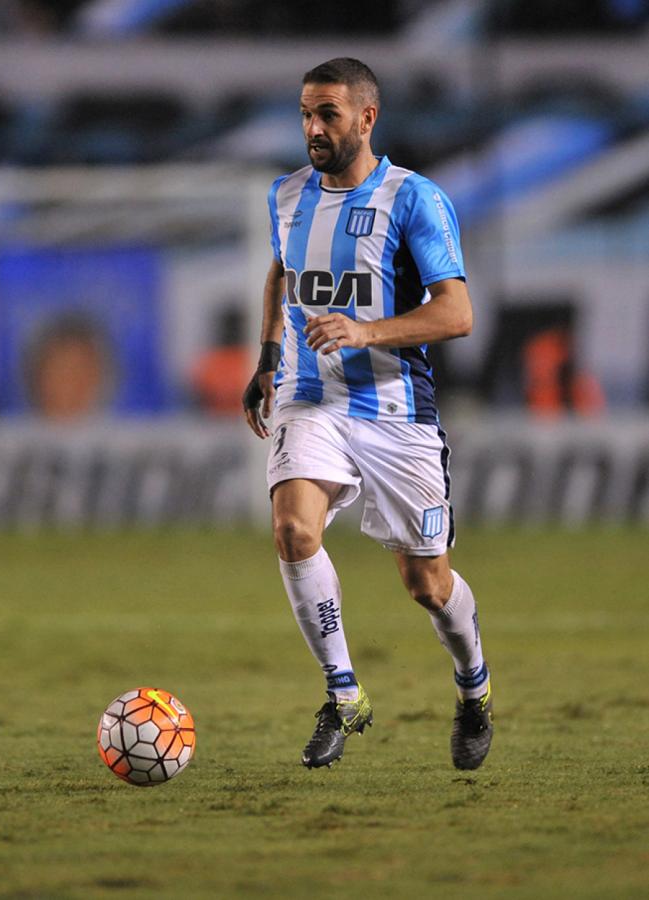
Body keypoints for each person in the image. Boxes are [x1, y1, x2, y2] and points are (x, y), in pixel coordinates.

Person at [243, 58, 492, 771]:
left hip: (394, 411)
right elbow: (282, 270)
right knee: (292, 529)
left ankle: (472, 685)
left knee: (429, 587)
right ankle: (342, 691)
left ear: (366, 117)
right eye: (303, 114)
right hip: (309, 396)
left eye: (326, 114)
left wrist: (365, 330)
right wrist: (267, 356)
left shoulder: (413, 199)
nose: (312, 128)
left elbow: (457, 313)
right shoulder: (285, 195)